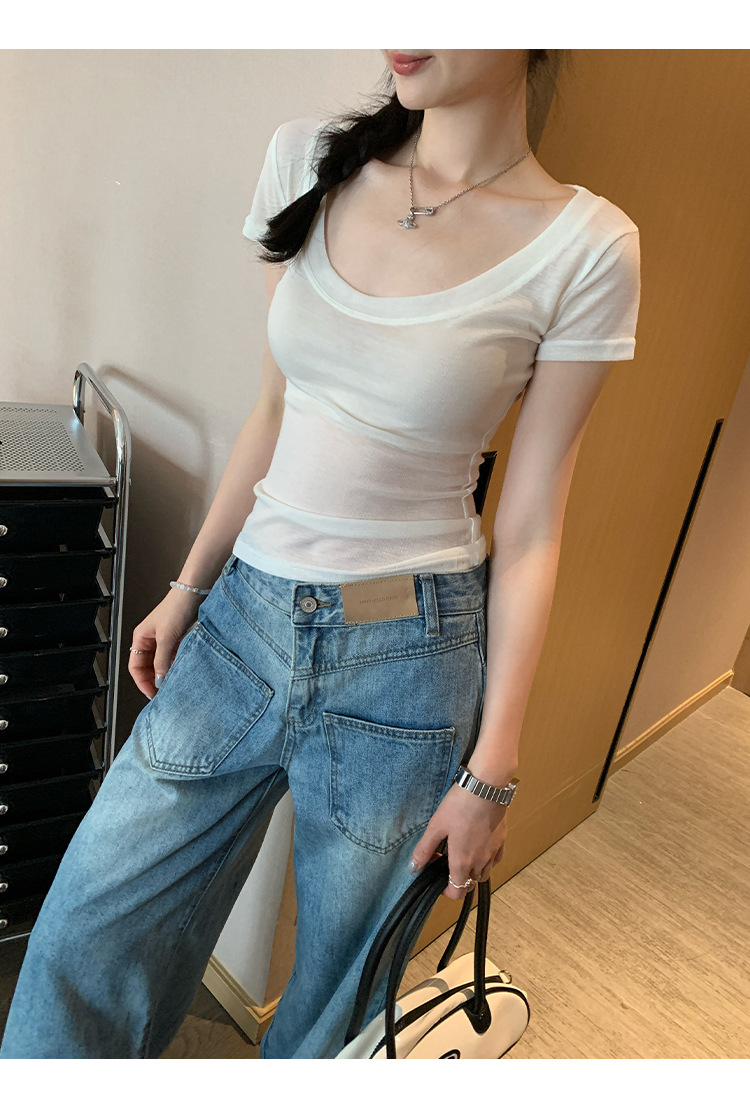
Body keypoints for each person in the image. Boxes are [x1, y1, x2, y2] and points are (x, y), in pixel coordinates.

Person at [0, 48, 641, 1059]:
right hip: (243, 624)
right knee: (85, 937)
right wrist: (189, 586)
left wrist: (493, 771)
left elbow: (530, 528)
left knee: (335, 1003)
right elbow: (273, 412)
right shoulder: (308, 162)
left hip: (410, 663)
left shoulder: (587, 247)